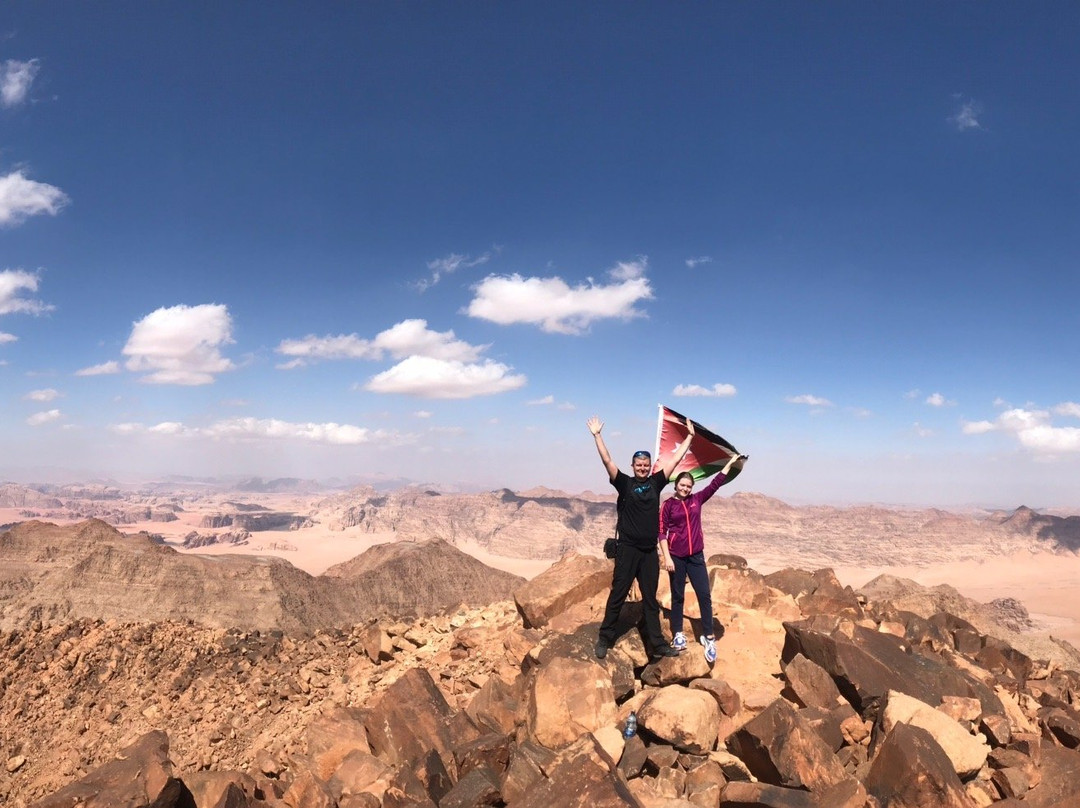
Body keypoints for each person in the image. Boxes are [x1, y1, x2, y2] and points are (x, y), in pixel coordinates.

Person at [587, 414, 694, 661]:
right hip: (627, 550)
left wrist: (689, 437)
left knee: (650, 599)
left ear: (650, 466)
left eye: (646, 464)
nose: (643, 468)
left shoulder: (657, 482)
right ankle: (605, 638)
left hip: (648, 552)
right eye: (639, 465)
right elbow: (607, 461)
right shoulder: (624, 483)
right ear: (633, 466)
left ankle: (657, 644)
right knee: (618, 594)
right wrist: (597, 435)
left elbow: (676, 460)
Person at [659, 453, 747, 664]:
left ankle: (708, 636)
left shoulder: (696, 499)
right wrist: (667, 558)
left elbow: (715, 484)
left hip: (696, 556)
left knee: (704, 595)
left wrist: (729, 463)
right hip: (677, 557)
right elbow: (661, 532)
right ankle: (678, 632)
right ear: (676, 485)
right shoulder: (668, 505)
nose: (685, 488)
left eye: (688, 486)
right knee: (677, 595)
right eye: (682, 485)